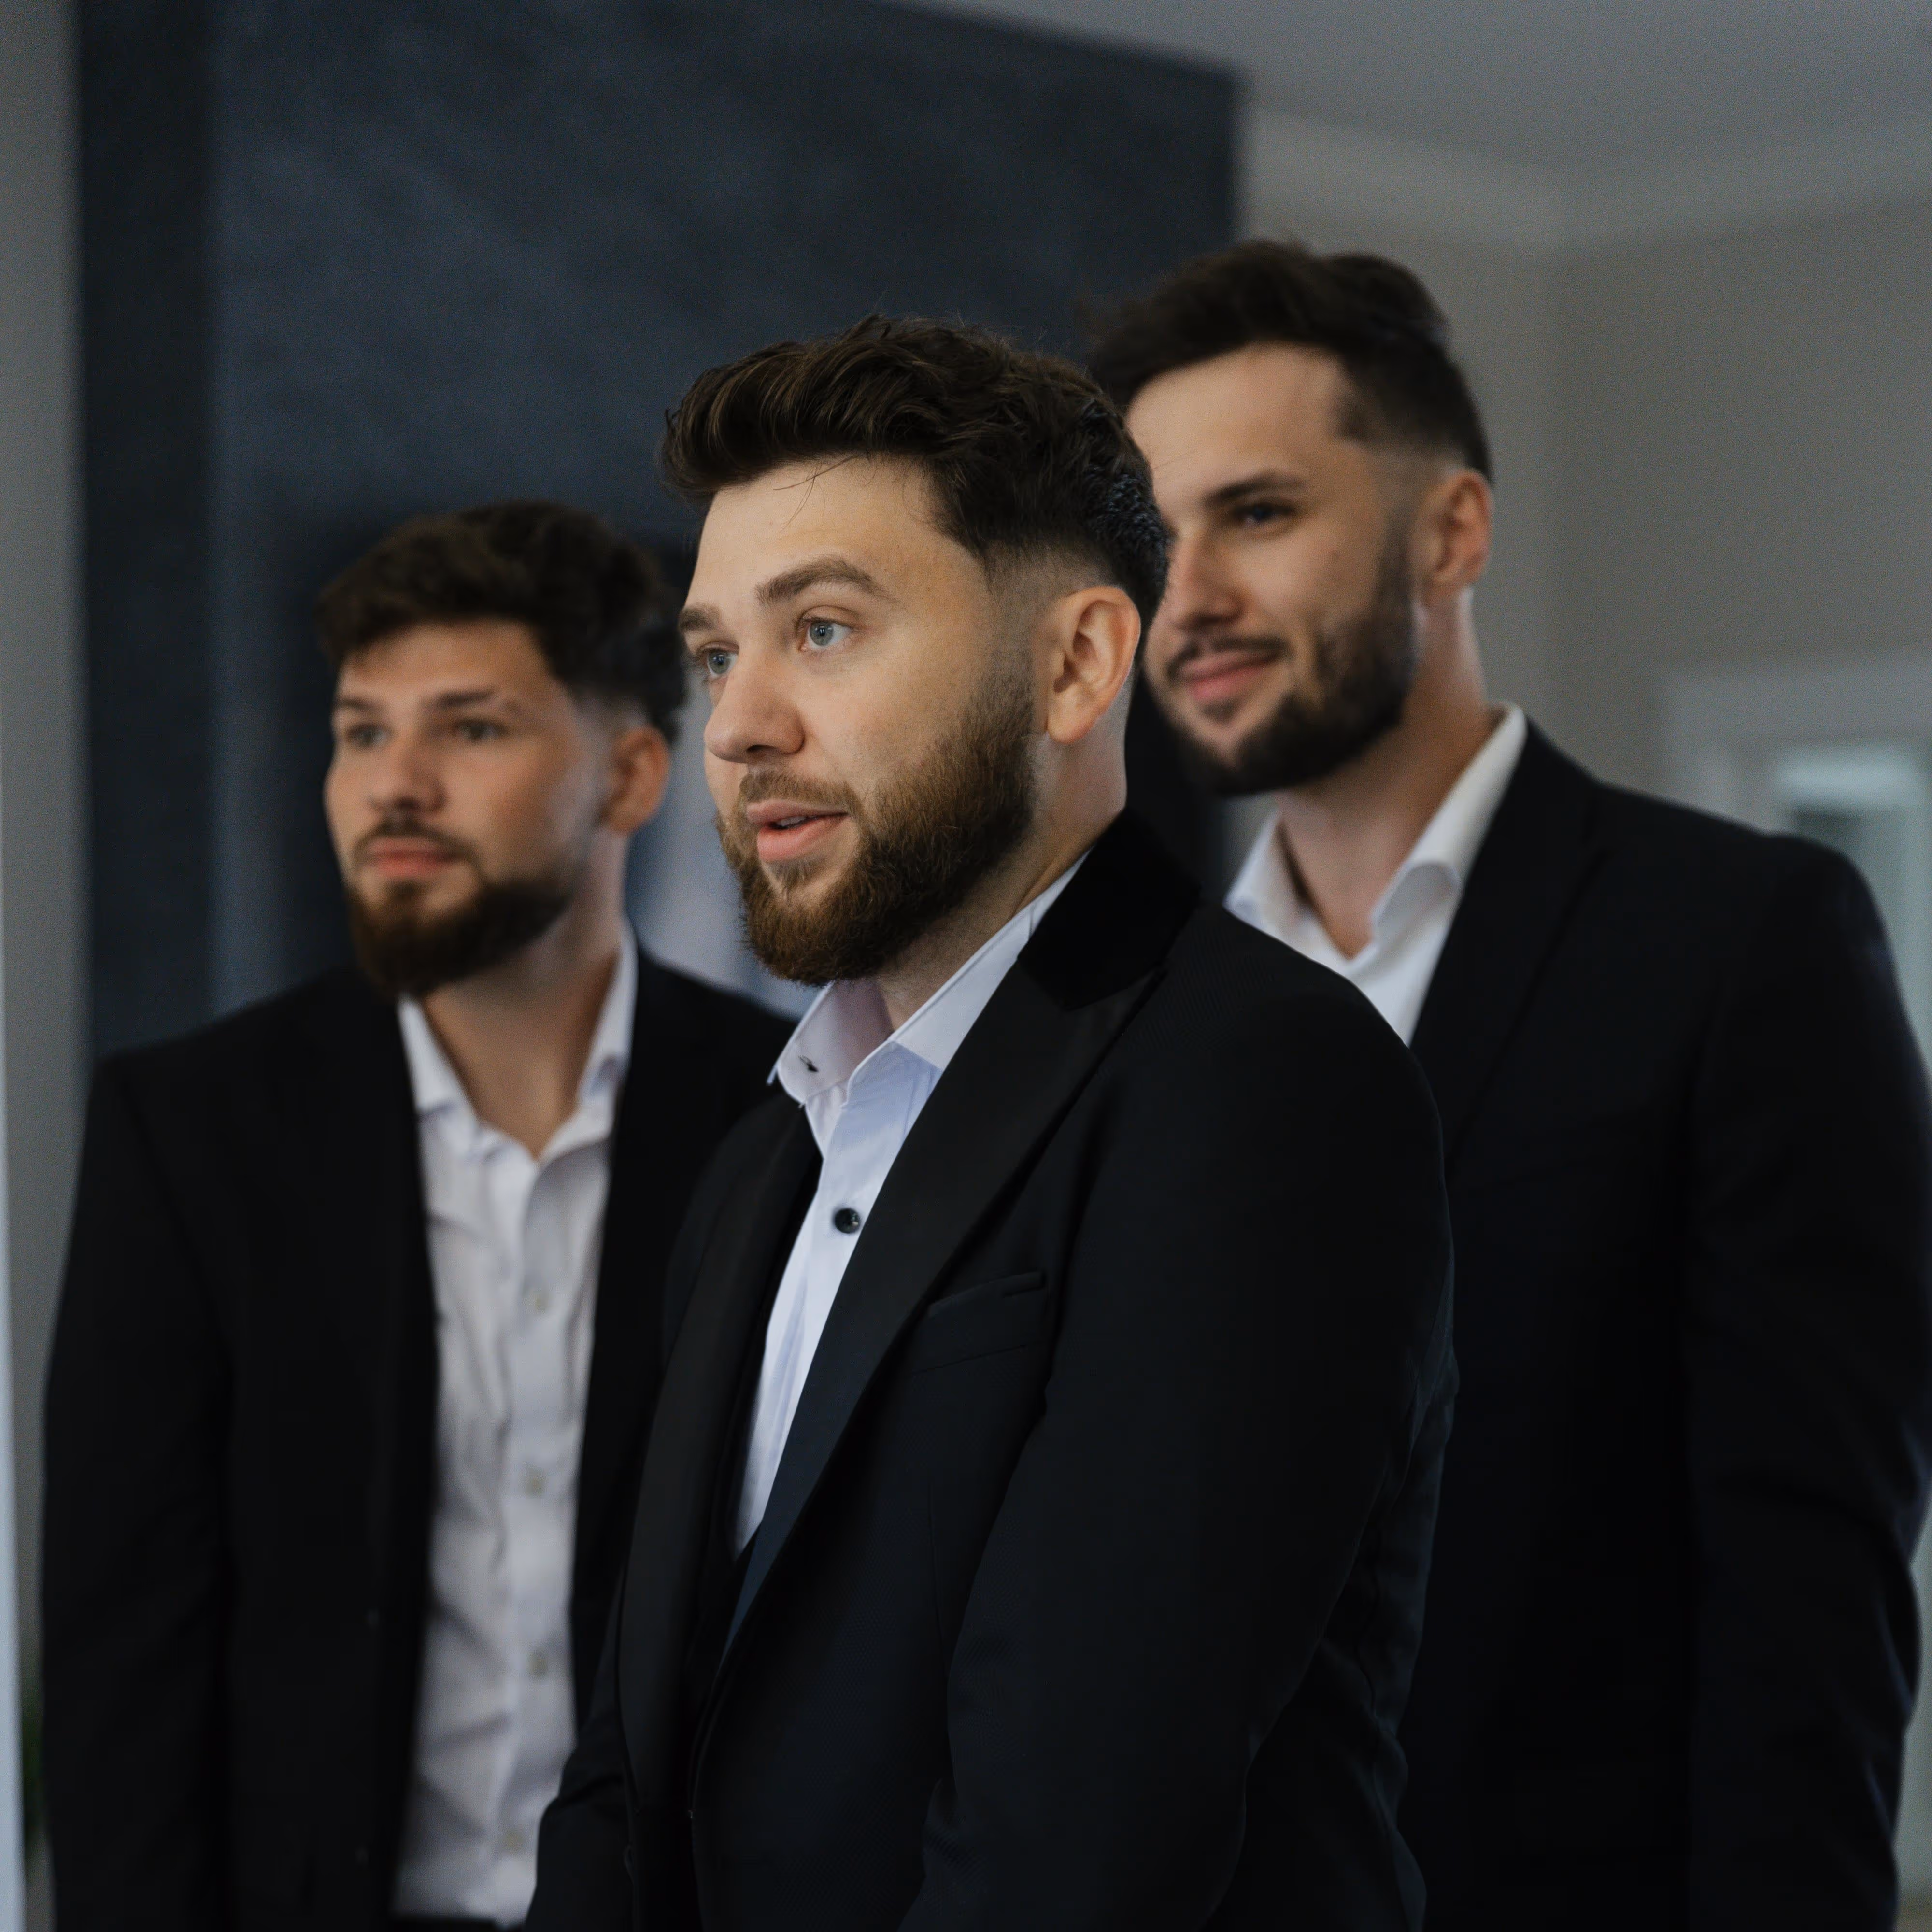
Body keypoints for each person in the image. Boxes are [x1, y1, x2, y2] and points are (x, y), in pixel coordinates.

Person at [521, 317, 1453, 1932]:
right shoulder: (767, 1154)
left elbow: (1072, 1839)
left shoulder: (1261, 1084)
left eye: (822, 630)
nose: (737, 729)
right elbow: (629, 1764)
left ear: (1078, 664)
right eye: (716, 655)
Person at [1091, 239, 1932, 1932]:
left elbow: (1811, 1619)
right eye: (1152, 535)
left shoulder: (1738, 944)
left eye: (1256, 513)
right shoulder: (1139, 1010)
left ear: (1451, 530)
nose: (1187, 594)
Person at [43, 501, 792, 1932]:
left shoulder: (782, 1119)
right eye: (362, 732)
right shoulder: (192, 1133)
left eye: (471, 730)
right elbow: (123, 1664)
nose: (396, 784)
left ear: (633, 773)